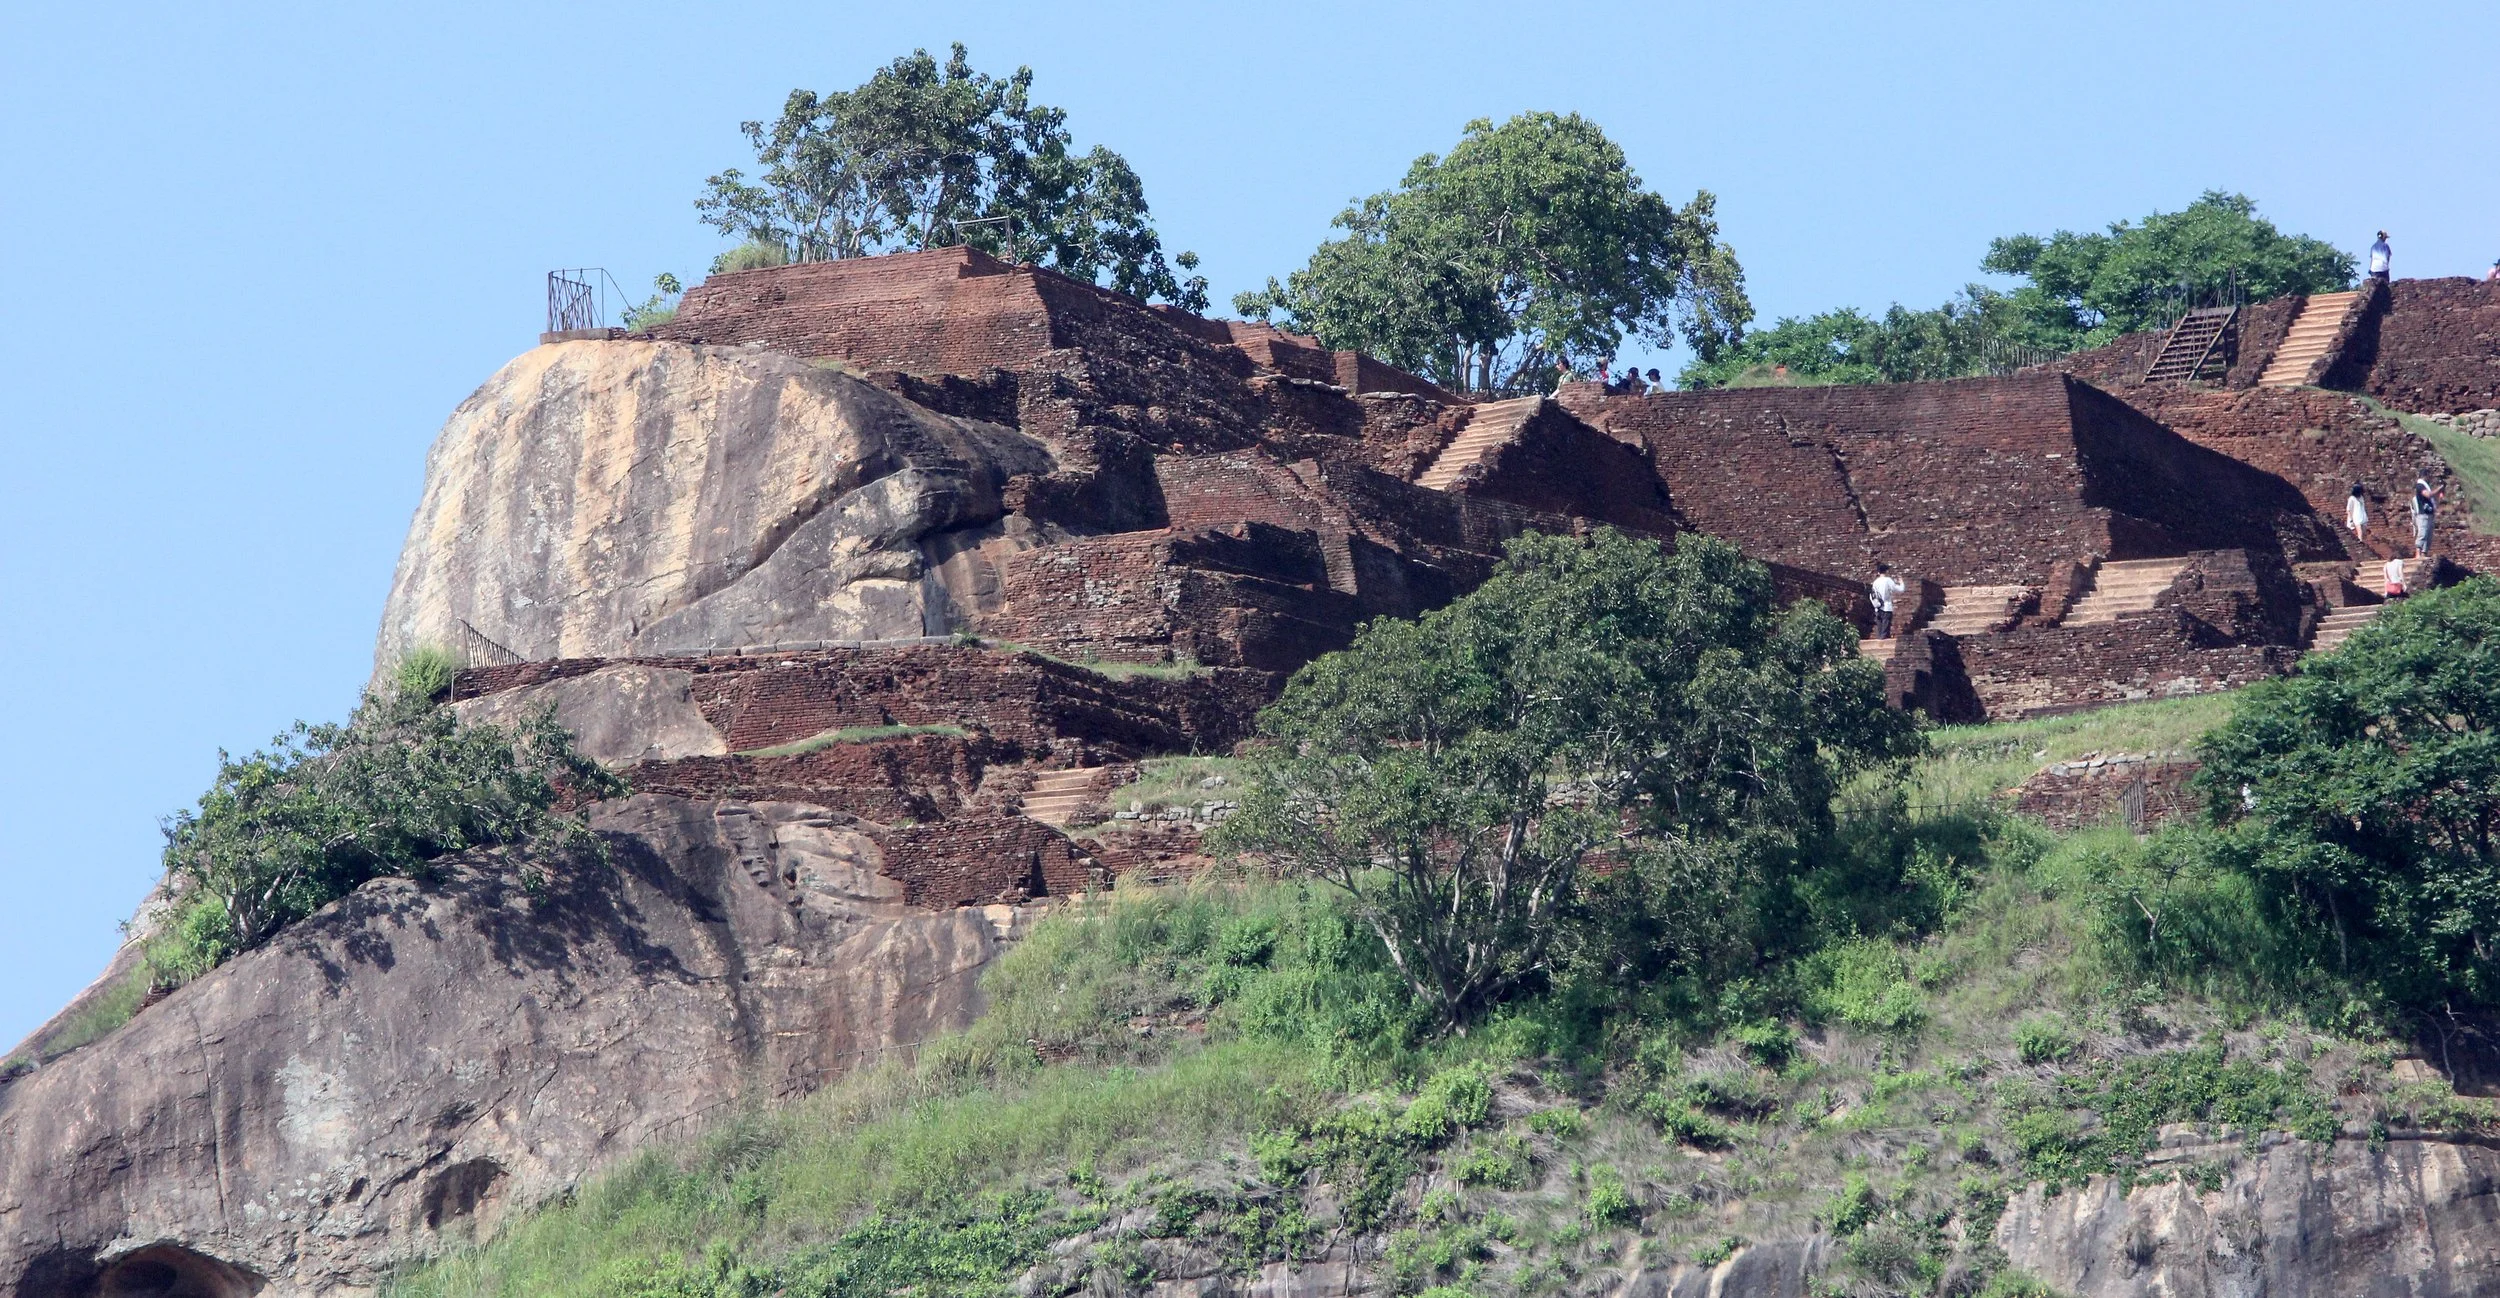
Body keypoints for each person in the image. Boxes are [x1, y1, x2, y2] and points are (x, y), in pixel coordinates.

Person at [1869, 562, 1906, 639]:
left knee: (1880, 630)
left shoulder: (1875, 582)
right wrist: (1901, 582)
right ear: (1886, 571)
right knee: (1885, 631)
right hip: (1886, 607)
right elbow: (1900, 589)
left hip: (1877, 608)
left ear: (1878, 572)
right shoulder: (1887, 580)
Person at [2413, 477, 2442, 556]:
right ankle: (2418, 553)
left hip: (2430, 514)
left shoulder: (2426, 486)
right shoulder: (2420, 486)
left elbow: (2433, 499)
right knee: (2422, 533)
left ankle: (2424, 553)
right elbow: (2428, 494)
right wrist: (2438, 489)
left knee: (2428, 535)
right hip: (2423, 514)